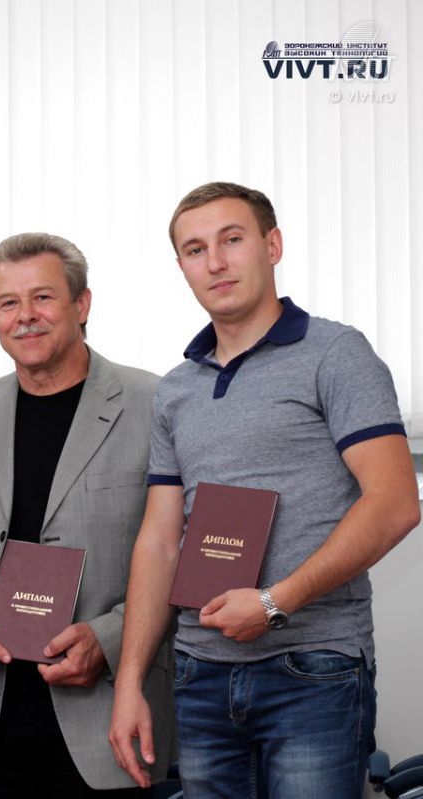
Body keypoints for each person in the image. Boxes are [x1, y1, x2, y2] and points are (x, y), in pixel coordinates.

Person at [109, 182, 420, 799]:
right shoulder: (176, 390)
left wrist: (276, 602)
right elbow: (160, 541)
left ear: (272, 245)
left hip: (313, 668)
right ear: (181, 267)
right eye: (195, 249)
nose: (215, 262)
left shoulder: (336, 353)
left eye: (232, 239)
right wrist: (129, 683)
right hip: (199, 673)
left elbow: (394, 503)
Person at [0, 233, 174, 796]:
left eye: (43, 297)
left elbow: (183, 553)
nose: (25, 316)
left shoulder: (156, 403)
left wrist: (110, 639)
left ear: (82, 304)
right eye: (8, 303)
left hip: (107, 725)